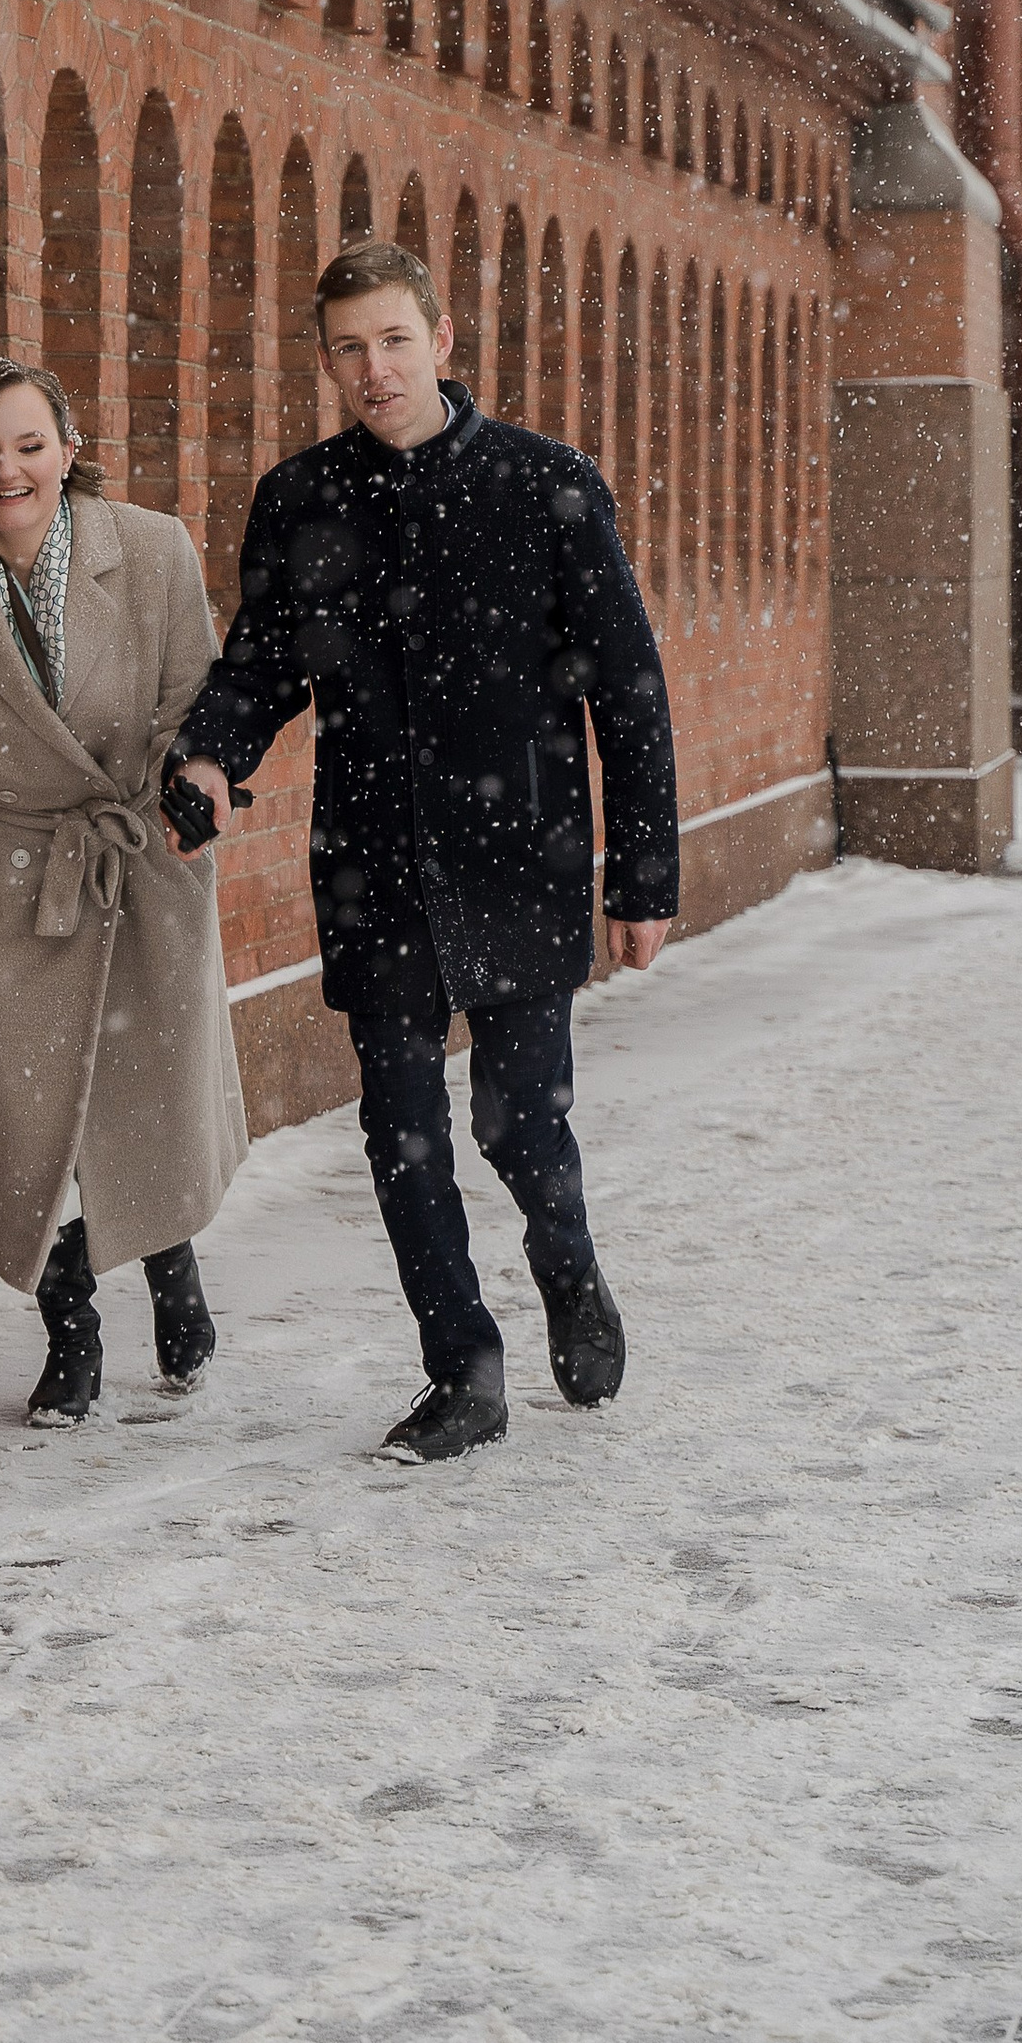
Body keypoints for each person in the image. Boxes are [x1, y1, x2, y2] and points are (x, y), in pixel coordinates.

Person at [170, 240, 677, 1463]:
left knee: (519, 1124)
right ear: (327, 360)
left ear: (443, 343)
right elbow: (261, 663)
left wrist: (643, 876)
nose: (374, 369)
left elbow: (629, 690)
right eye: (349, 348)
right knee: (399, 1133)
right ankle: (462, 1370)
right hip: (372, 863)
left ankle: (569, 1271)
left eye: (394, 341)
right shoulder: (302, 499)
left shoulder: (546, 484)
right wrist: (207, 756)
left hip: (521, 852)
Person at [0, 359, 249, 1423]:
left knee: (145, 1085)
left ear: (70, 449)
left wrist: (182, 792)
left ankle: (172, 1269)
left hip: (137, 851)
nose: (5, 470)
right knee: (26, 1109)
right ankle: (70, 1326)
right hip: (5, 870)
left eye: (27, 445)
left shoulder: (149, 550)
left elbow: (192, 696)